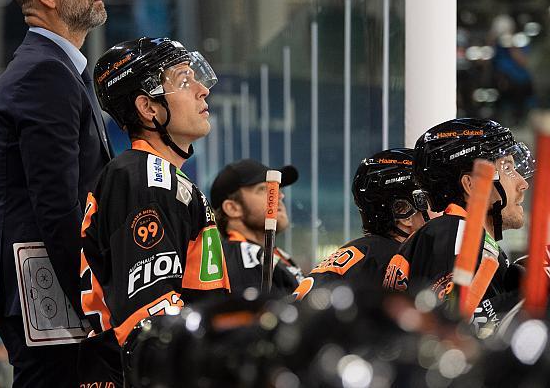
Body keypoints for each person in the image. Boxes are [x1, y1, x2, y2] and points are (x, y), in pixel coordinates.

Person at [0, 0, 112, 387]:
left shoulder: (58, 69)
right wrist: (93, 299)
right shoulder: (44, 73)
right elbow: (57, 204)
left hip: (48, 288)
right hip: (48, 290)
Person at [79, 37, 231, 385]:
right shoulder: (145, 179)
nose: (201, 90)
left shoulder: (157, 178)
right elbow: (151, 322)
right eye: (182, 80)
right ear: (149, 108)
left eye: (196, 76)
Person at [383, 118, 534, 330]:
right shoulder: (456, 233)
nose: (523, 183)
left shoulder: (454, 235)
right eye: (507, 167)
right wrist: (530, 295)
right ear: (471, 184)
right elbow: (453, 330)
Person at [292, 149, 431, 300]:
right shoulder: (395, 260)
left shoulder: (364, 252)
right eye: (429, 199)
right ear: (404, 212)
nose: (440, 209)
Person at [210, 159, 304, 296]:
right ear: (232, 208)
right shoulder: (240, 260)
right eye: (264, 189)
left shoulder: (273, 255)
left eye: (278, 188)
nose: (279, 195)